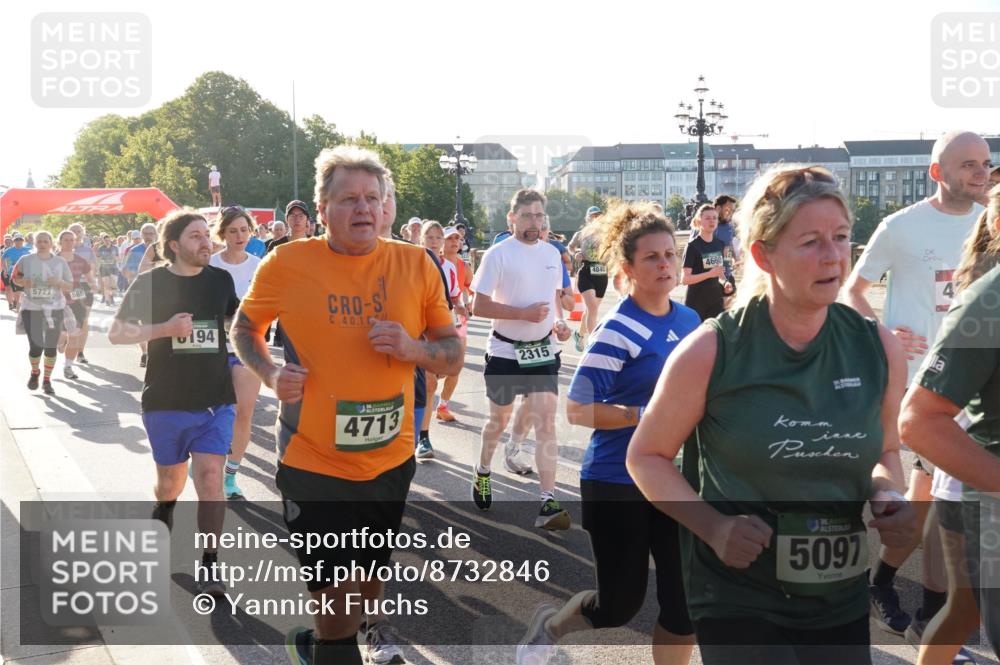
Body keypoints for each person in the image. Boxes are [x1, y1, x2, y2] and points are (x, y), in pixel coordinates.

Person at [626, 165, 917, 665]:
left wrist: (889, 494)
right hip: (739, 595)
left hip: (839, 594)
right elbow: (646, 456)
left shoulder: (879, 349)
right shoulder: (713, 349)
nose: (833, 255)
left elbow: (886, 450)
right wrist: (713, 528)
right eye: (810, 242)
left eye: (841, 237)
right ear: (764, 254)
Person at [230, 145, 461, 665]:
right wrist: (270, 373)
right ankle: (332, 643)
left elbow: (452, 355)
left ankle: (348, 634)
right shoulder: (288, 262)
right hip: (314, 462)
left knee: (371, 565)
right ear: (323, 208)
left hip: (391, 459)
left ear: (385, 206)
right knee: (337, 611)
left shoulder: (416, 263)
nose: (364, 208)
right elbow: (245, 328)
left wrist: (413, 348)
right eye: (349, 199)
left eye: (372, 198)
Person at [517, 201, 701, 665]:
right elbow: (578, 409)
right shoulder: (617, 330)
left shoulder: (691, 322)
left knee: (685, 605)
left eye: (670, 255)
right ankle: (550, 626)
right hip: (616, 480)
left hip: (676, 480)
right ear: (628, 269)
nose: (664, 264)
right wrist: (649, 415)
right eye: (651, 257)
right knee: (619, 605)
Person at [844, 130, 991, 639]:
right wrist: (882, 333)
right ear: (937, 172)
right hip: (923, 390)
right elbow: (853, 291)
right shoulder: (900, 226)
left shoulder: (989, 224)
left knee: (927, 499)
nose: (981, 173)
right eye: (968, 164)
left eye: (985, 163)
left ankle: (885, 587)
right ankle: (932, 618)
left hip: (978, 386)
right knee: (940, 501)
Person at [109, 208, 239, 598]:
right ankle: (164, 509)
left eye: (206, 235)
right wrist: (165, 329)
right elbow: (116, 333)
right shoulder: (151, 282)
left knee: (211, 478)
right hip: (166, 399)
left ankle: (210, 563)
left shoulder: (220, 279)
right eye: (196, 236)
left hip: (216, 398)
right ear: (174, 245)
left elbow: (235, 321)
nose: (206, 242)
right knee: (170, 483)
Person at [900, 185, 1000, 665]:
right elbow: (918, 421)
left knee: (964, 610)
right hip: (977, 496)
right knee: (963, 609)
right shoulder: (987, 301)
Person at [470, 188, 572, 529]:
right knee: (497, 421)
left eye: (539, 215)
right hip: (504, 350)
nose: (534, 222)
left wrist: (558, 322)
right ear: (511, 218)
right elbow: (478, 305)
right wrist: (522, 314)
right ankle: (483, 470)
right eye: (527, 215)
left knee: (546, 422)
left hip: (543, 351)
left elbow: (553, 298)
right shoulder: (498, 254)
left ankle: (547, 500)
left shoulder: (552, 254)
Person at [209, 206, 263, 500]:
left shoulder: (260, 266)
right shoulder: (210, 265)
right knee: (215, 412)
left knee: (244, 412)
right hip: (212, 349)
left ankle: (230, 476)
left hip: (246, 348)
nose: (239, 236)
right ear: (223, 234)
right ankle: (205, 461)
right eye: (233, 231)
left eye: (244, 230)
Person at [415, 221, 462, 453]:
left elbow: (452, 299)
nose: (434, 241)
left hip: (436, 328)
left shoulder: (449, 267)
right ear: (421, 239)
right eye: (429, 237)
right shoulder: (412, 261)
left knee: (430, 383)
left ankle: (423, 437)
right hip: (413, 328)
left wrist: (460, 309)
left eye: (438, 237)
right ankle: (409, 434)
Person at [11, 231, 73, 395]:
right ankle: (35, 372)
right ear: (35, 243)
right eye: (39, 241)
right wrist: (24, 281)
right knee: (36, 346)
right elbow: (15, 278)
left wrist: (58, 282)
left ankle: (47, 380)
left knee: (50, 347)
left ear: (51, 243)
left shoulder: (60, 262)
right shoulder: (25, 260)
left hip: (55, 307)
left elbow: (70, 285)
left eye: (46, 241)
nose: (42, 244)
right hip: (32, 307)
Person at [436, 225, 472, 423]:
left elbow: (471, 290)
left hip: (458, 319)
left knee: (457, 364)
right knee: (435, 368)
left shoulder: (464, 267)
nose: (454, 242)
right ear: (442, 241)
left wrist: (468, 305)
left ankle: (443, 405)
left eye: (457, 239)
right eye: (450, 238)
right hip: (436, 319)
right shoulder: (432, 261)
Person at [681, 204, 734, 321]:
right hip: (696, 303)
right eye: (708, 218)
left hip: (716, 301)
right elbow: (685, 279)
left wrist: (725, 283)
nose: (712, 221)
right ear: (699, 221)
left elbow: (718, 272)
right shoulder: (692, 246)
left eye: (714, 218)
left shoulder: (720, 245)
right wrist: (709, 274)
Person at [57, 230, 97, 380]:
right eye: (65, 240)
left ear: (75, 242)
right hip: (57, 299)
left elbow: (90, 279)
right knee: (61, 336)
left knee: (76, 333)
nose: (69, 242)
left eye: (71, 240)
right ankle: (61, 341)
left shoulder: (81, 260)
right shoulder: (53, 259)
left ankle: (68, 367)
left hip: (76, 296)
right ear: (60, 242)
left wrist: (93, 286)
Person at [569, 205, 609, 352]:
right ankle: (594, 344)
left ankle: (579, 335)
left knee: (591, 310)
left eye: (599, 215)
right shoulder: (582, 233)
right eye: (594, 216)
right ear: (588, 218)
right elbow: (571, 247)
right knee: (592, 308)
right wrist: (576, 253)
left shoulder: (607, 233)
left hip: (602, 274)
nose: (596, 218)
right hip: (586, 272)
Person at [67, 223, 97, 365]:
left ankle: (80, 352)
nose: (76, 233)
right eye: (73, 231)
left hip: (84, 286)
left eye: (79, 231)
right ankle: (69, 343)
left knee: (84, 319)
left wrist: (93, 284)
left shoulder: (88, 250)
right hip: (70, 286)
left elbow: (93, 269)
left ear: (83, 233)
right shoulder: (62, 249)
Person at [3, 234, 31, 311]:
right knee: (15, 290)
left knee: (22, 292)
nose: (18, 241)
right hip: (13, 273)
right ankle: (14, 303)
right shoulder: (9, 250)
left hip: (25, 273)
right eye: (16, 240)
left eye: (20, 239)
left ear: (23, 241)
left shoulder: (28, 250)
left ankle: (17, 304)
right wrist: (5, 269)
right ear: (14, 241)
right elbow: (3, 259)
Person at [96, 233, 120, 305]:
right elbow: (98, 258)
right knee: (106, 284)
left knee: (113, 284)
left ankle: (111, 297)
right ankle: (108, 299)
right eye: (105, 240)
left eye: (108, 240)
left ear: (110, 240)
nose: (107, 241)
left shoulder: (115, 248)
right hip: (104, 268)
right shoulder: (101, 248)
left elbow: (118, 258)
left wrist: (116, 259)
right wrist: (97, 269)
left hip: (113, 268)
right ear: (103, 241)